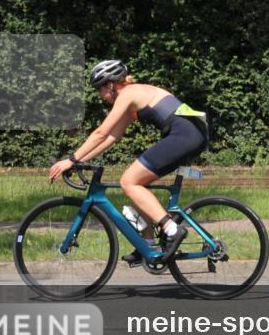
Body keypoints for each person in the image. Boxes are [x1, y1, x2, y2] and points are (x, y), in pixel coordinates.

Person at [48, 60, 208, 264]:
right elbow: (112, 137)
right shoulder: (132, 97)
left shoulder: (128, 94)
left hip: (185, 134)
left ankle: (172, 230)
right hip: (189, 133)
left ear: (111, 85)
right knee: (136, 184)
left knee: (129, 181)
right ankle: (147, 245)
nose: (100, 95)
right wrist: (80, 160)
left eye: (100, 89)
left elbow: (100, 132)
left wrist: (70, 160)